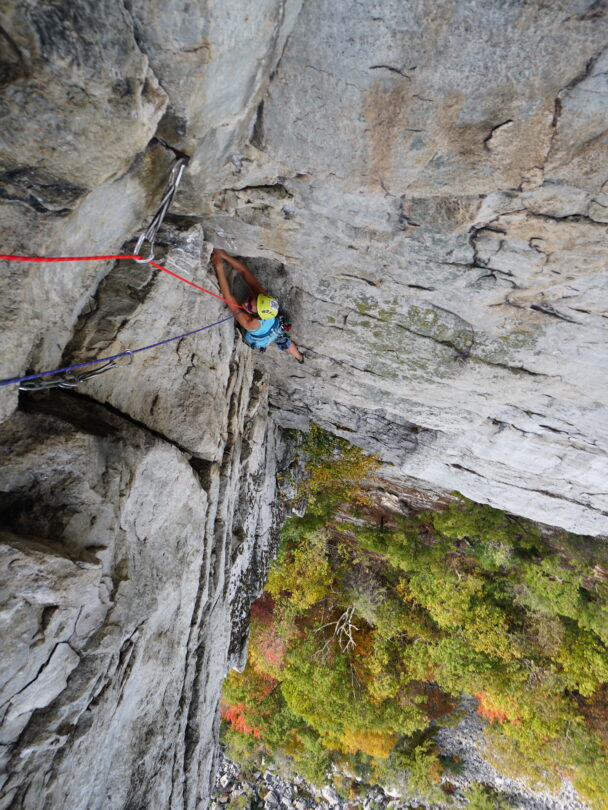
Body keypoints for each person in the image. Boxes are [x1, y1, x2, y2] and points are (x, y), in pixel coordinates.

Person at [211, 248, 304, 363]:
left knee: (282, 339)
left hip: (261, 339)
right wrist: (225, 256)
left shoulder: (251, 323)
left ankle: (299, 357)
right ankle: (299, 357)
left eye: (249, 307)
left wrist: (219, 266)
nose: (246, 303)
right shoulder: (262, 297)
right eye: (251, 299)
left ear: (256, 315)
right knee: (283, 339)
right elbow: (244, 271)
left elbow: (228, 296)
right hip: (275, 327)